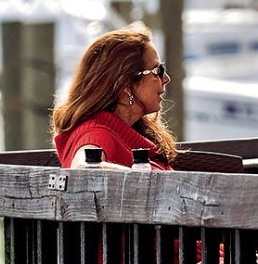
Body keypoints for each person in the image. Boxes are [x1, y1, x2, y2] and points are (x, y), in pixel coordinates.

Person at [52, 24, 179, 170]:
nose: (166, 78)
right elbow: (82, 169)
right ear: (125, 85)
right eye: (158, 71)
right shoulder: (97, 133)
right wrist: (145, 179)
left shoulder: (126, 131)